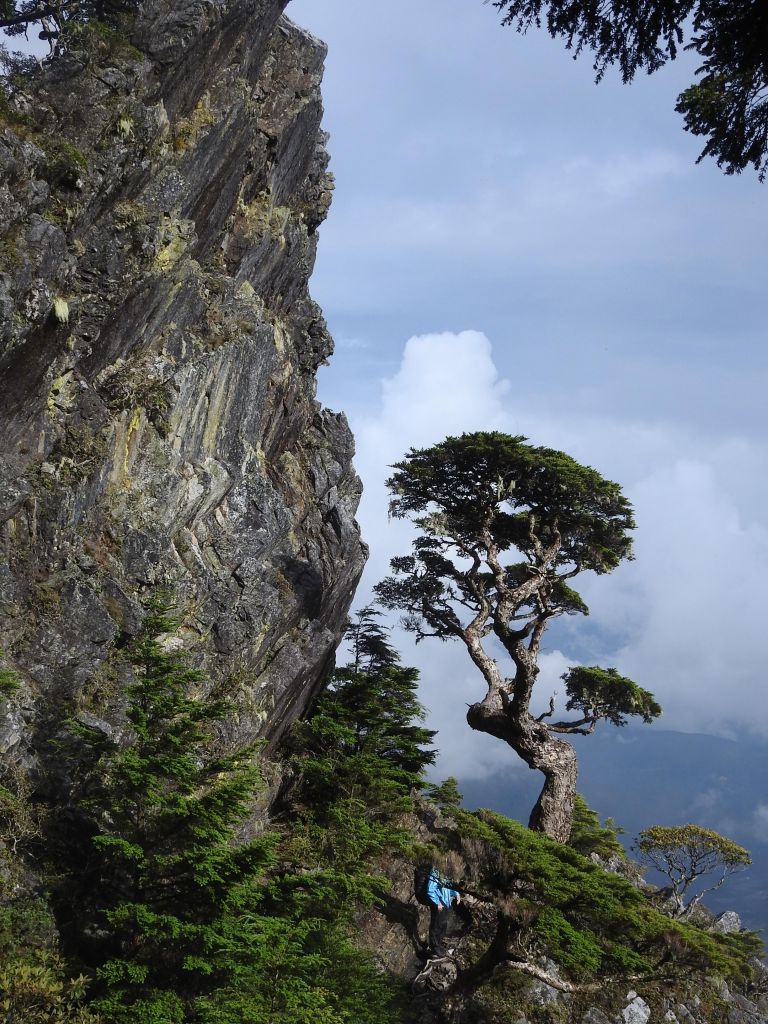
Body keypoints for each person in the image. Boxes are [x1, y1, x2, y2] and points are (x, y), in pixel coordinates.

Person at [426, 867, 460, 957]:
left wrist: (456, 894)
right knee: (436, 925)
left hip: (446, 903)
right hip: (439, 903)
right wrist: (437, 903)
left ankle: (438, 946)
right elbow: (430, 889)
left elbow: (448, 888)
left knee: (443, 925)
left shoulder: (446, 871)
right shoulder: (435, 871)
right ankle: (434, 948)